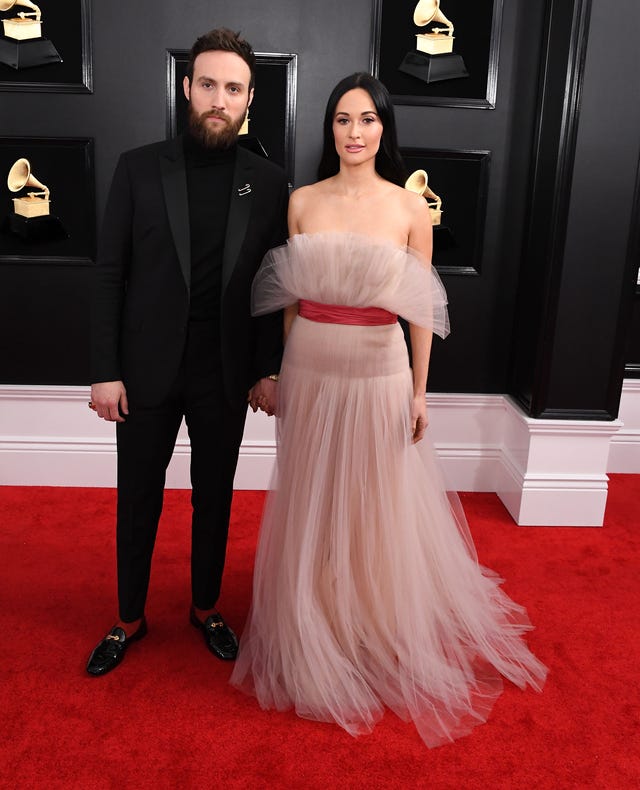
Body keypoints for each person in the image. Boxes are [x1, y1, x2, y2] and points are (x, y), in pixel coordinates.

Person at [230, 73, 547, 747]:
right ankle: (314, 618)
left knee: (371, 497)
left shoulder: (409, 207)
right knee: (315, 496)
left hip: (380, 369)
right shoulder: (302, 201)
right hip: (310, 367)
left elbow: (422, 311)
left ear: (384, 128)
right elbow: (289, 301)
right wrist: (281, 374)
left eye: (367, 119)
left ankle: (368, 621)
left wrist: (419, 391)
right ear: (330, 129)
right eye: (343, 119)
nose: (354, 132)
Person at [86, 28, 288, 677]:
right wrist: (105, 371)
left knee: (215, 496)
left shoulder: (268, 182)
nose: (218, 99)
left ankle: (206, 608)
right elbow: (109, 274)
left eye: (233, 88)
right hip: (145, 370)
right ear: (186, 88)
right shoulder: (138, 167)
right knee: (137, 496)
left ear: (249, 99)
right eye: (208, 84)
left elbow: (272, 286)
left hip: (224, 371)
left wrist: (267, 369)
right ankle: (129, 617)